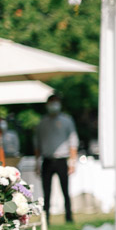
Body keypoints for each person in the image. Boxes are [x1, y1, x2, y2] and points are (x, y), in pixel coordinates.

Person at [34, 93, 78, 222]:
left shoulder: (66, 120)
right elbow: (37, 144)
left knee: (65, 190)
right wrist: (37, 163)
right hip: (47, 160)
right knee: (46, 192)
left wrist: (72, 161)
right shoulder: (42, 123)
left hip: (62, 159)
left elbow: (73, 141)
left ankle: (69, 216)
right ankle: (45, 218)